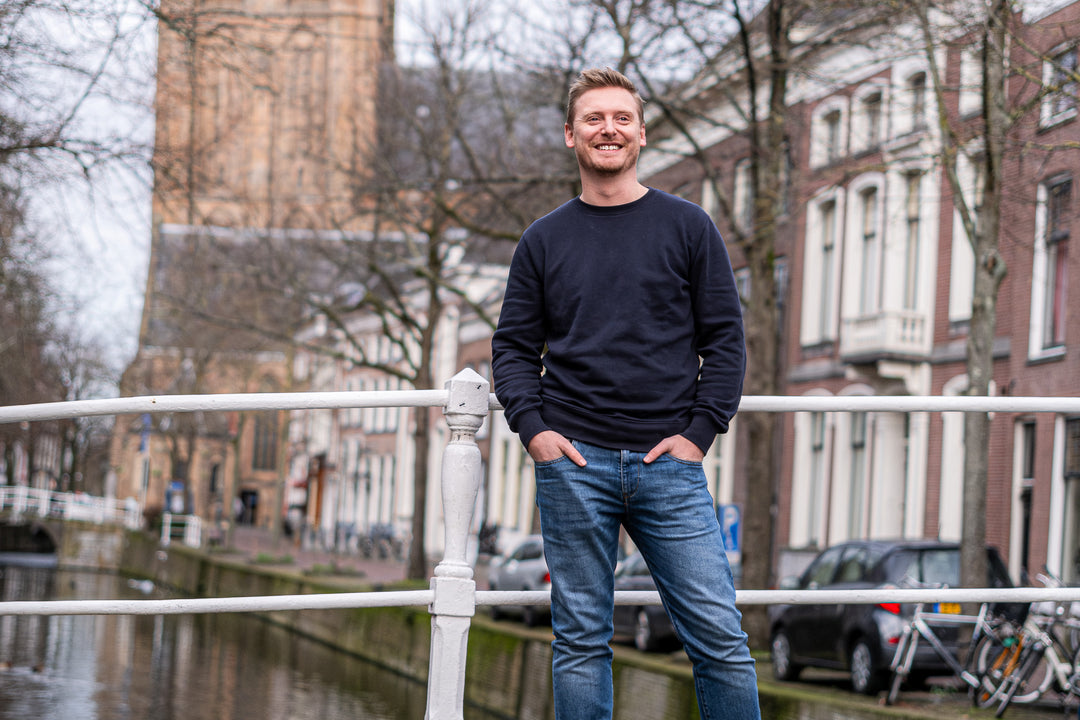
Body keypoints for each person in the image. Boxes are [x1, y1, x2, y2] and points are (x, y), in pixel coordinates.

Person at [491, 67, 760, 720]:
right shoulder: (542, 240)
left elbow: (725, 339)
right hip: (573, 463)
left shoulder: (689, 227)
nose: (607, 129)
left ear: (641, 134)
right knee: (581, 641)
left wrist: (698, 436)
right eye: (593, 119)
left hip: (668, 466)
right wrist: (536, 432)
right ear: (569, 135)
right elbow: (513, 349)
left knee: (721, 639)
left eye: (620, 118)